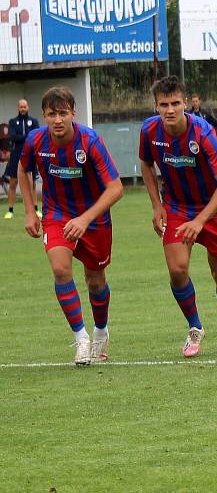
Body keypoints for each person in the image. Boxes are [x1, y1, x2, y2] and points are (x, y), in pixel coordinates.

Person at [18, 87, 123, 365]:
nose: (58, 120)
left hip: (94, 218)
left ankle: (101, 330)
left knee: (95, 280)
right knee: (60, 269)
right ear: (44, 116)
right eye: (52, 114)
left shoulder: (90, 142)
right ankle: (81, 339)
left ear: (73, 114)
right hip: (56, 215)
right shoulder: (35, 141)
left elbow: (116, 188)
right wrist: (30, 211)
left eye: (63, 113)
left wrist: (85, 218)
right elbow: (22, 169)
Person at [139, 75, 217, 357]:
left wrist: (201, 221)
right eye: (163, 104)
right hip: (177, 207)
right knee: (177, 269)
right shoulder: (148, 131)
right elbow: (146, 164)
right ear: (155, 106)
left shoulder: (202, 133)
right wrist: (156, 205)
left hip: (214, 207)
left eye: (175, 103)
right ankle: (195, 327)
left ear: (185, 103)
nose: (169, 110)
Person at [4, 98, 40, 219]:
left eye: (25, 106)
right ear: (18, 108)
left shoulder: (33, 121)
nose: (23, 109)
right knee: (13, 182)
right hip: (16, 154)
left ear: (28, 107)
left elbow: (37, 135)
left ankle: (35, 209)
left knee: (32, 182)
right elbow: (12, 137)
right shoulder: (13, 122)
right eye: (21, 107)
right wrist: (28, 136)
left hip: (31, 154)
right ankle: (10, 210)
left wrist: (25, 137)